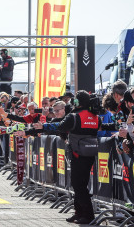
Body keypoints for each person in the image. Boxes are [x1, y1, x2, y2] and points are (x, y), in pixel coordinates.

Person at [34, 91, 100, 224]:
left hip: (77, 153)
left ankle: (87, 215)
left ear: (76, 102)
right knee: (81, 184)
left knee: (78, 185)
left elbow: (60, 127)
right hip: (91, 153)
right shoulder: (96, 117)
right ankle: (79, 213)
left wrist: (44, 126)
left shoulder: (74, 116)